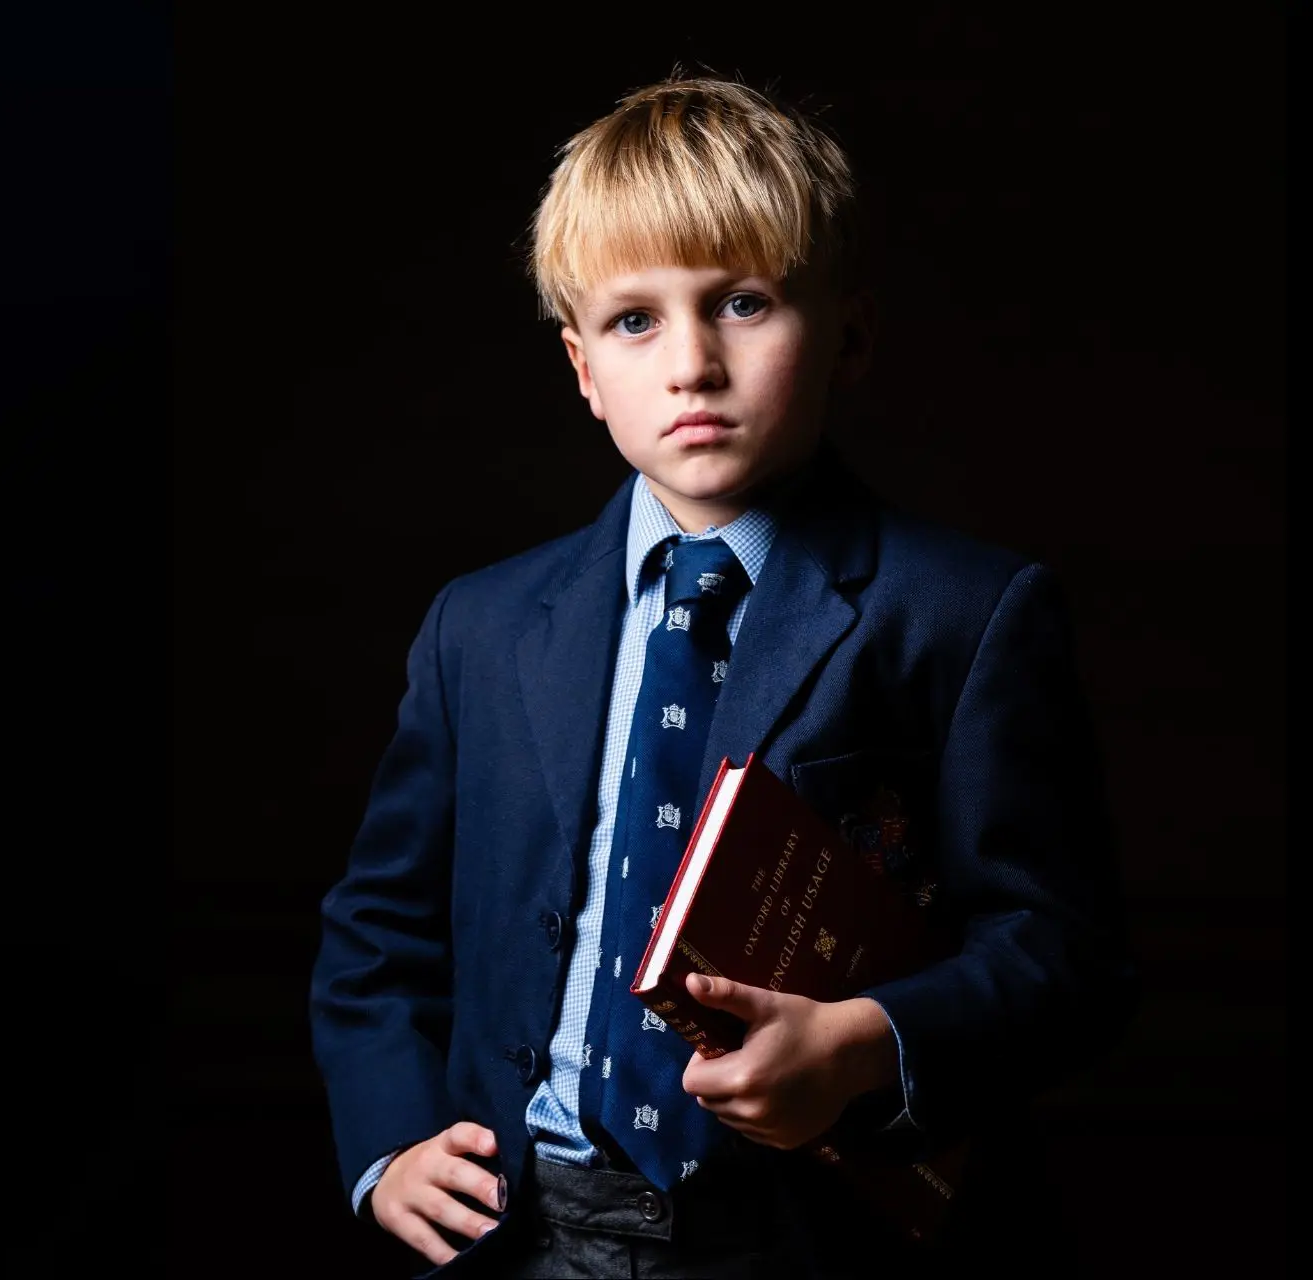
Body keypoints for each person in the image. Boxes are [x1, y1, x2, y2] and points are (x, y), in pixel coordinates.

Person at [309, 72, 1138, 1279]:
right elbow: (377, 929)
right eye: (634, 320)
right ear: (583, 369)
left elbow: (1065, 953)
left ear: (848, 334)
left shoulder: (964, 611)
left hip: (808, 1232)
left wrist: (864, 1041)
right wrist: (389, 1142)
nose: (691, 362)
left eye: (744, 303)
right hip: (527, 1219)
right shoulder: (478, 626)